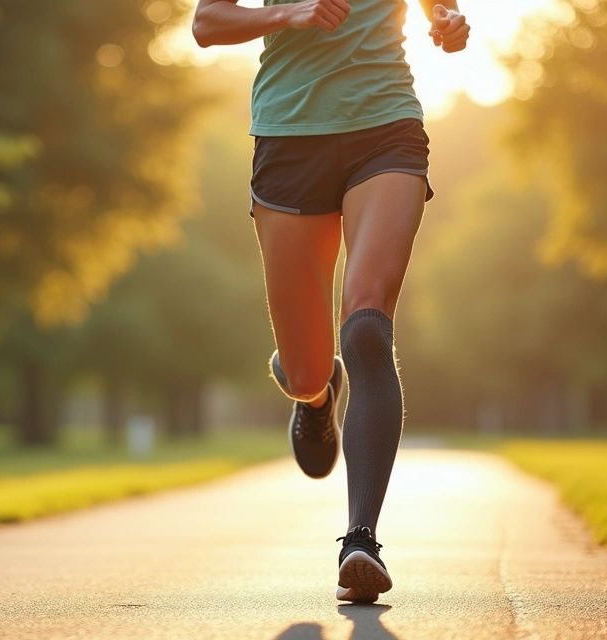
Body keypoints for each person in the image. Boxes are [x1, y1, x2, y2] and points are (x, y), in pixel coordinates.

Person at [191, 0, 470, 603]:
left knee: (367, 321)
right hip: (289, 138)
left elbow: (440, 6)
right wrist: (289, 14)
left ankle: (360, 540)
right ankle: (316, 393)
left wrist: (447, 19)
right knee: (306, 368)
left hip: (386, 126)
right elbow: (206, 23)